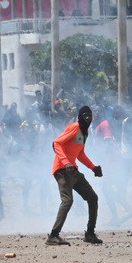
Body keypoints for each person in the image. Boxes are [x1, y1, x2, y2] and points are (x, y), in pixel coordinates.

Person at [47, 105, 103, 246]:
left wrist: (93, 167)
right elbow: (56, 143)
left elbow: (80, 154)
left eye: (90, 116)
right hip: (62, 170)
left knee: (92, 197)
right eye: (85, 116)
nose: (88, 118)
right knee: (68, 201)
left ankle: (90, 233)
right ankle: (53, 236)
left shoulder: (85, 132)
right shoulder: (74, 127)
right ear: (80, 117)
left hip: (73, 171)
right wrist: (66, 163)